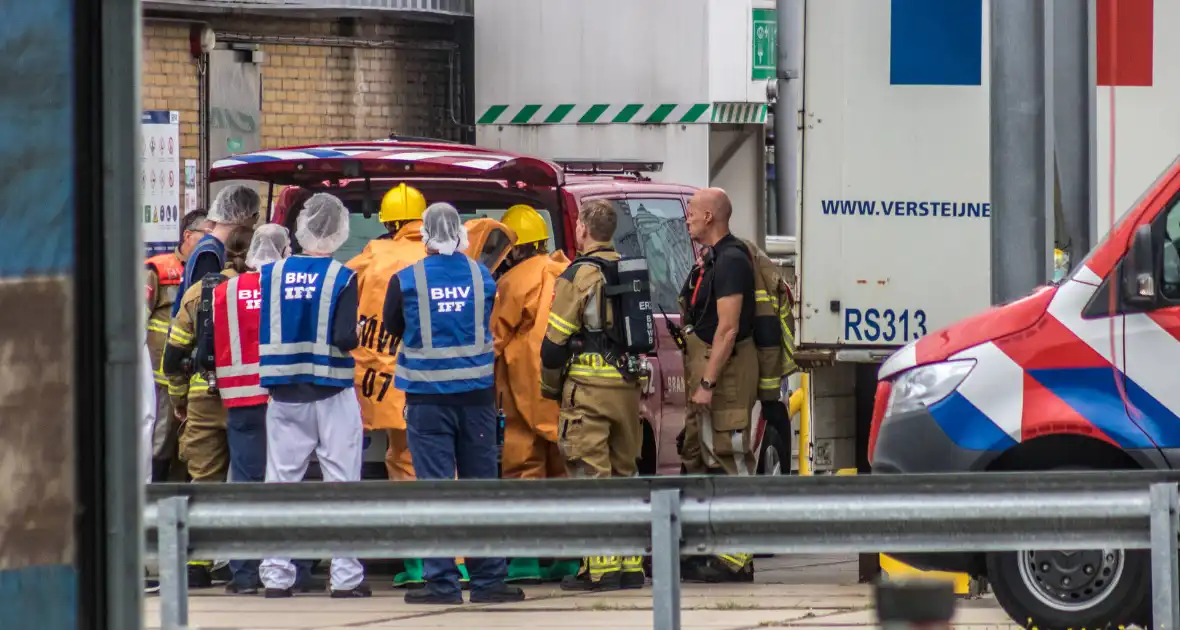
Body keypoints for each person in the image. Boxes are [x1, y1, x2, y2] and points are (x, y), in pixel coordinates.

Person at [382, 202, 526, 606]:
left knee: (435, 490)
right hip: (476, 398)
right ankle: (488, 582)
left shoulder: (405, 279)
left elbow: (394, 325)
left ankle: (442, 585)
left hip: (427, 400)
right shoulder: (482, 277)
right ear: (461, 234)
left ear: (424, 235)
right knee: (481, 488)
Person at [257, 193, 371, 599]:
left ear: (302, 228)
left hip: (284, 392)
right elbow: (343, 336)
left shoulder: (270, 273)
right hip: (331, 391)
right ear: (340, 230)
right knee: (342, 481)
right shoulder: (342, 276)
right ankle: (345, 578)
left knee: (282, 481)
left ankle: (275, 576)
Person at [540, 199, 645, 592]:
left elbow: (554, 343)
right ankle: (632, 563)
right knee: (626, 473)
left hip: (587, 393)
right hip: (628, 390)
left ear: (583, 228)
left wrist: (550, 388)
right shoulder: (628, 268)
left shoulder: (579, 274)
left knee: (590, 476)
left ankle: (599, 568)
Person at [345, 183, 430, 589]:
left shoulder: (373, 256)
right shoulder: (447, 256)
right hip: (441, 384)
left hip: (389, 383)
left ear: (390, 222)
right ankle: (459, 559)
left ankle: (418, 563)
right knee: (443, 468)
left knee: (404, 465)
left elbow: (341, 294)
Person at [161, 225, 255, 588]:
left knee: (202, 481)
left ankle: (196, 564)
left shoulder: (199, 293)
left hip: (202, 400)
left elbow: (174, 356)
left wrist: (179, 400)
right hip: (248, 400)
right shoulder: (257, 291)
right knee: (249, 480)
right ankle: (244, 563)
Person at [490, 205, 578, 585]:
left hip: (522, 396)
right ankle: (567, 558)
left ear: (514, 249)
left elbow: (495, 339)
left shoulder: (511, 282)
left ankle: (524, 559)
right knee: (563, 473)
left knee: (522, 472)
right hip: (565, 393)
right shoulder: (567, 271)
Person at [677, 187, 759, 583]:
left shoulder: (730, 261)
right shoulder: (709, 261)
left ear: (710, 216)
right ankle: (706, 551)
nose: (687, 216)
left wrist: (708, 382)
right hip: (708, 372)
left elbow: (727, 330)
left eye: (691, 211)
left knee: (730, 457)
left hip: (724, 378)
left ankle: (736, 557)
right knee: (702, 458)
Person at [146, 210, 211, 482]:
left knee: (191, 445)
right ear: (188, 235)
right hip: (162, 379)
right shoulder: (159, 269)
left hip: (195, 379)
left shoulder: (209, 269)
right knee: (161, 441)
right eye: (206, 235)